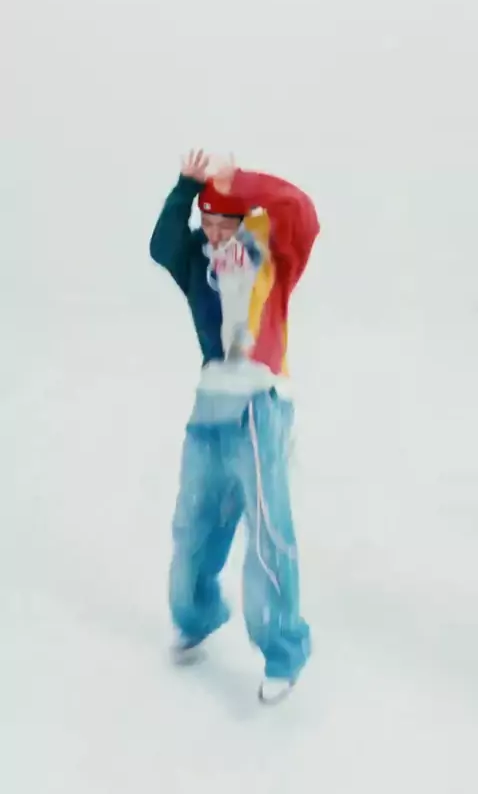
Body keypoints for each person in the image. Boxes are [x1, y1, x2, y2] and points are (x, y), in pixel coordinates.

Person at [149, 149, 320, 704]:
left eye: (225, 222)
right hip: (210, 405)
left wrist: (239, 181)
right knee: (194, 522)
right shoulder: (198, 261)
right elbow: (161, 245)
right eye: (207, 222)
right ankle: (195, 615)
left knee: (268, 531)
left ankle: (283, 650)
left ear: (243, 218)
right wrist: (185, 187)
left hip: (260, 405)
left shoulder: (271, 252)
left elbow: (300, 209)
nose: (215, 233)